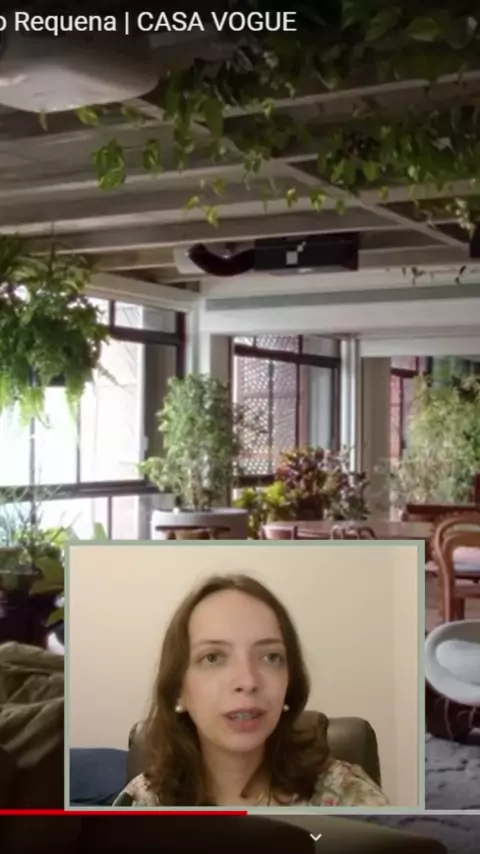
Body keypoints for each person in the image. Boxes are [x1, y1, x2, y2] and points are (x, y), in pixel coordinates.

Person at [113, 573, 389, 807]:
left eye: (270, 657)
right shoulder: (144, 802)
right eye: (213, 658)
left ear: (289, 682)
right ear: (178, 691)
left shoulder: (346, 796)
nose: (247, 681)